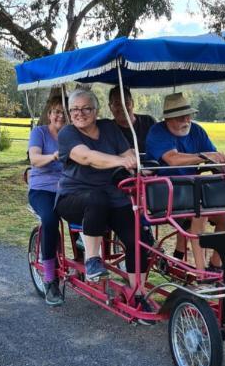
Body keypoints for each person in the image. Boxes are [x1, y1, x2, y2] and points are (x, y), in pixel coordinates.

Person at [55, 88, 153, 318]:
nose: (80, 113)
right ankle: (92, 261)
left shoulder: (109, 127)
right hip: (74, 197)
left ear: (96, 110)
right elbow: (87, 157)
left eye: (86, 108)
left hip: (112, 196)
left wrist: (136, 164)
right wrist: (121, 160)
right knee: (96, 199)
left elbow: (128, 151)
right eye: (74, 109)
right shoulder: (68, 133)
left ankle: (137, 294)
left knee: (137, 239)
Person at [145, 92, 225, 271]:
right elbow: (173, 159)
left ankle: (216, 265)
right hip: (164, 193)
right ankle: (200, 274)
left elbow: (211, 157)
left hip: (192, 190)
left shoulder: (197, 130)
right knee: (199, 212)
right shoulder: (157, 132)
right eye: (180, 116)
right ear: (168, 118)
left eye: (188, 114)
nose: (186, 119)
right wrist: (203, 156)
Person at [28, 97, 66, 306]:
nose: (60, 116)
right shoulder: (39, 133)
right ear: (50, 114)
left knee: (95, 208)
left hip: (68, 189)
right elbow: (34, 159)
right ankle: (51, 280)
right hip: (41, 189)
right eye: (56, 112)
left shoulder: (72, 135)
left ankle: (84, 257)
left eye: (63, 112)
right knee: (50, 221)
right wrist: (53, 156)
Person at [108, 85, 156, 153]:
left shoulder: (148, 122)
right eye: (117, 104)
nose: (122, 107)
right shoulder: (108, 129)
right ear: (110, 107)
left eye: (126, 103)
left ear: (132, 103)